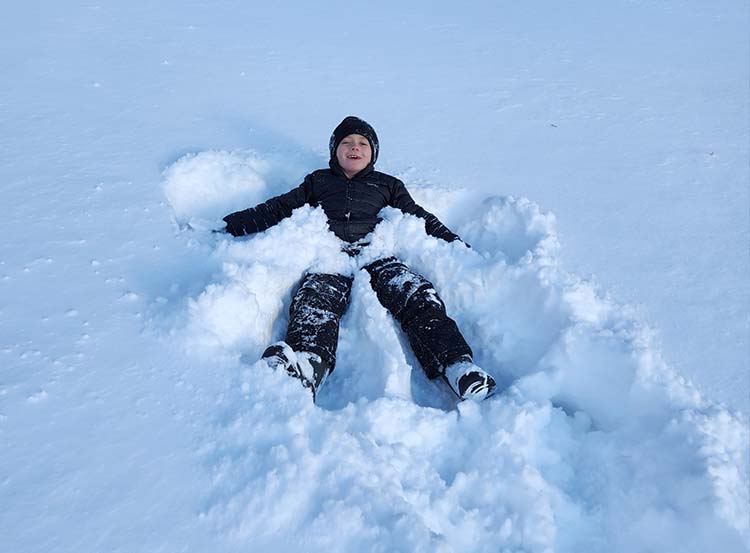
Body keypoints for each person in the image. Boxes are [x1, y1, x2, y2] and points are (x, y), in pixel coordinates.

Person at [221, 116, 496, 402]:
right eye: (347, 142)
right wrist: (231, 225)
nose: (355, 147)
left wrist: (454, 244)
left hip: (378, 255)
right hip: (331, 256)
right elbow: (278, 208)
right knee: (315, 300)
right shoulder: (318, 181)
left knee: (416, 295)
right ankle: (307, 365)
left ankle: (457, 365)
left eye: (363, 143)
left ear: (373, 152)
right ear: (334, 151)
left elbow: (419, 218)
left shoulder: (388, 185)